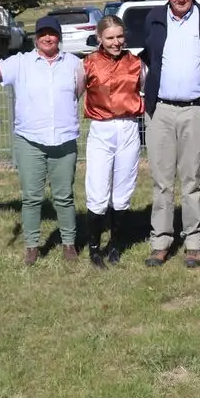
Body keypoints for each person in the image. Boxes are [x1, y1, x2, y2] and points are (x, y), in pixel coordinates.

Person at [0, 16, 84, 266]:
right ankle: (32, 246)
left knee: (64, 196)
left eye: (52, 34)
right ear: (36, 37)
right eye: (42, 33)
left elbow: (79, 91)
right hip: (30, 141)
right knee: (32, 197)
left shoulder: (75, 64)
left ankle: (69, 243)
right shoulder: (20, 63)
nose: (47, 38)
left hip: (64, 141)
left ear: (59, 37)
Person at [140, 0, 200, 269]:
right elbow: (146, 59)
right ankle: (160, 242)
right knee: (162, 181)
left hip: (196, 110)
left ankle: (193, 242)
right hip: (160, 110)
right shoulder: (153, 18)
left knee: (192, 181)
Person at [80, 14, 145, 268]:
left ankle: (116, 244)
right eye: (110, 38)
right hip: (101, 128)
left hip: (128, 127)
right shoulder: (88, 64)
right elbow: (76, 90)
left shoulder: (136, 63)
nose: (116, 42)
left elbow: (145, 89)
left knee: (123, 191)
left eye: (119, 36)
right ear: (99, 38)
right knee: (97, 189)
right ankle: (94, 248)